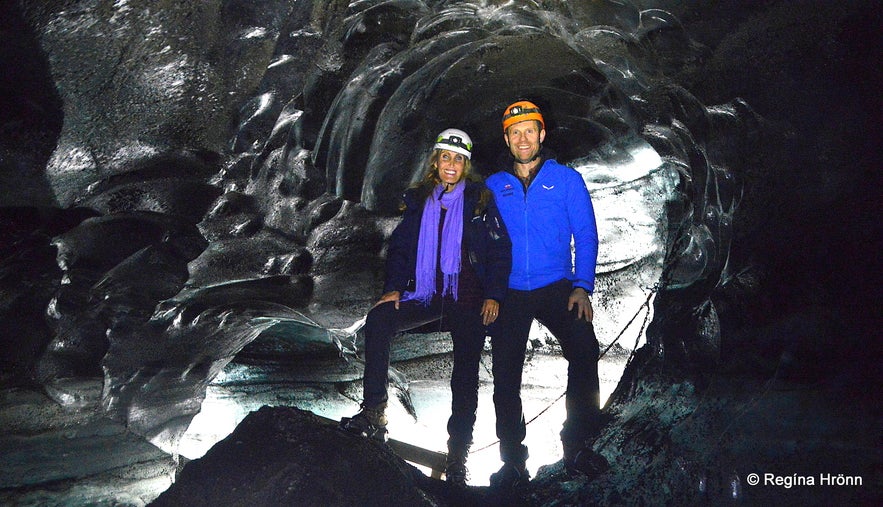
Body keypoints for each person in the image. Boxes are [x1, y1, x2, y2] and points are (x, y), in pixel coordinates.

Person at [340, 128, 511, 487]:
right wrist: (393, 290)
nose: (452, 164)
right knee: (379, 320)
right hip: (430, 294)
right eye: (446, 157)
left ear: (466, 165)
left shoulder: (480, 199)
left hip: (468, 296)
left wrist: (493, 294)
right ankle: (374, 414)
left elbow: (499, 250)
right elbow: (401, 249)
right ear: (436, 160)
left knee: (464, 376)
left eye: (459, 159)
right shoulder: (420, 200)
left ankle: (458, 454)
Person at [484, 100, 609, 490]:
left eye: (529, 130)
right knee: (505, 375)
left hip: (557, 285)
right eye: (515, 132)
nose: (523, 138)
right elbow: (478, 244)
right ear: (507, 139)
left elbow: (585, 235)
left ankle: (577, 444)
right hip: (509, 291)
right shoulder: (492, 186)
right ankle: (513, 462)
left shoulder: (567, 179)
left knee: (585, 351)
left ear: (542, 134)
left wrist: (582, 286)